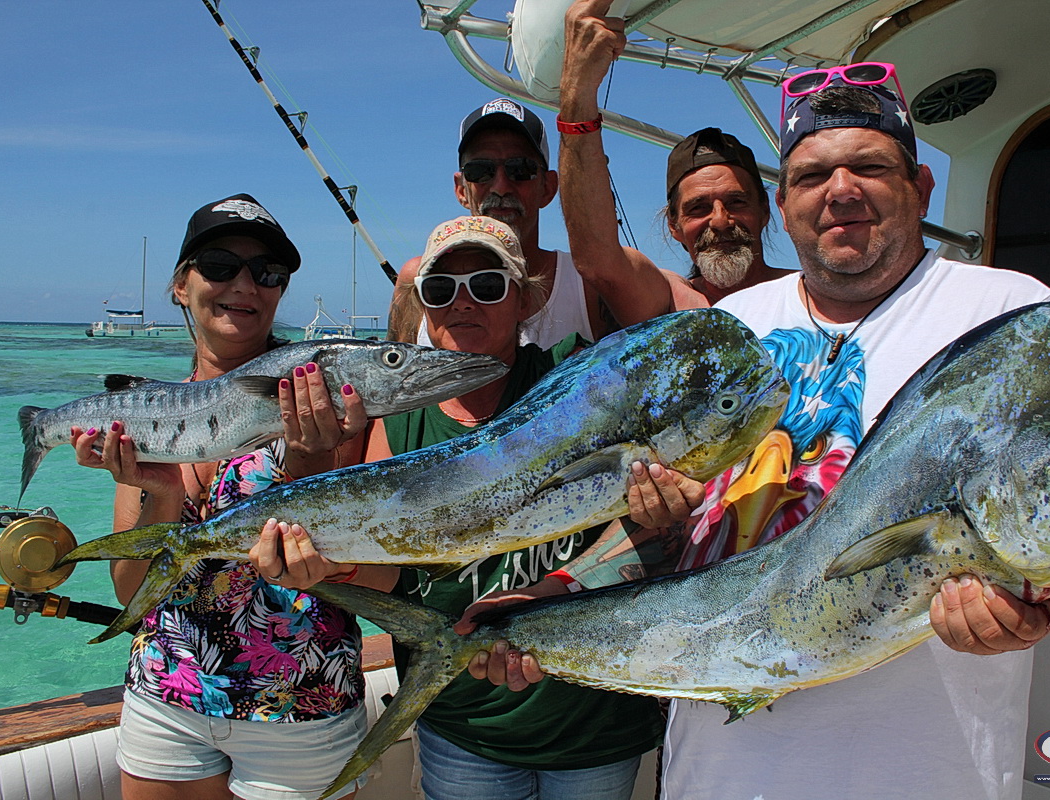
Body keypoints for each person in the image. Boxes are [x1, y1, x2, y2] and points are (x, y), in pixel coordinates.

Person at [482, 63, 1050, 798]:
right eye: (812, 176)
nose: (840, 191)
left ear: (921, 186)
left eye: (869, 167)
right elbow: (691, 530)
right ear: (784, 204)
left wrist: (1046, 599)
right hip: (714, 770)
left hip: (924, 774)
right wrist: (555, 591)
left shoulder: (1009, 315)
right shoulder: (729, 333)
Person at [71, 193, 399, 800]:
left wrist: (310, 462)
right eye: (220, 265)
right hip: (164, 697)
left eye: (267, 273)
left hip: (301, 710)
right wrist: (161, 492)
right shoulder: (150, 418)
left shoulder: (344, 407)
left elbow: (382, 583)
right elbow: (129, 595)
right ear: (180, 285)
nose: (244, 284)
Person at [364, 214, 701, 800]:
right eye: (442, 290)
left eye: (488, 285)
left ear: (526, 299)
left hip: (595, 722)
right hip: (463, 727)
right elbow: (384, 569)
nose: (464, 303)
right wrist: (325, 569)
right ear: (423, 308)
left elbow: (658, 538)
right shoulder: (398, 422)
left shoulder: (585, 380)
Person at [557, 0, 786, 314]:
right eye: (698, 208)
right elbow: (598, 261)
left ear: (765, 211)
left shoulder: (810, 294)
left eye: (736, 202)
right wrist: (577, 89)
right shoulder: (670, 302)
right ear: (674, 226)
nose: (720, 221)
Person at [388, 98, 622, 347]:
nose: (500, 187)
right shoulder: (416, 278)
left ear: (549, 187)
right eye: (480, 170)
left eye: (520, 169)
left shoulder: (586, 284)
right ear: (461, 189)